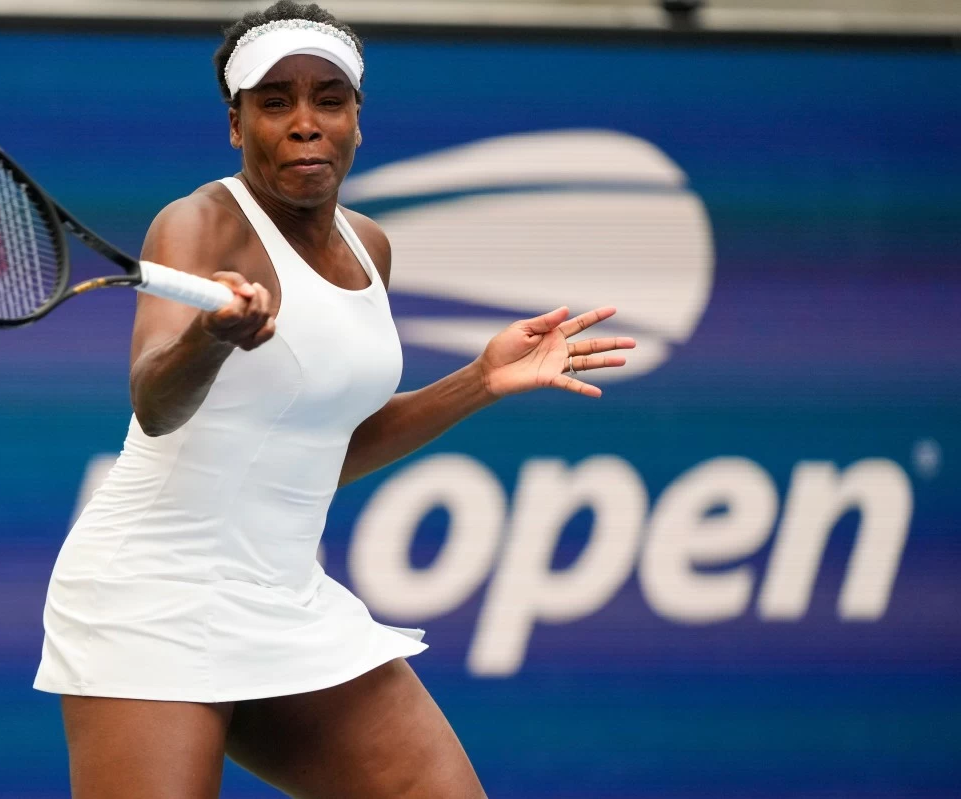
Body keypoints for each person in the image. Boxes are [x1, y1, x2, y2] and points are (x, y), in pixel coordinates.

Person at [33, 2, 635, 796]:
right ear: (236, 126)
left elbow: (321, 452)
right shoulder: (199, 223)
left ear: (358, 117)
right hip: (149, 595)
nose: (305, 122)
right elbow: (154, 399)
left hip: (284, 598)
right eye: (275, 101)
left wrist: (479, 380)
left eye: (329, 98)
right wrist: (209, 338)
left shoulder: (370, 244)